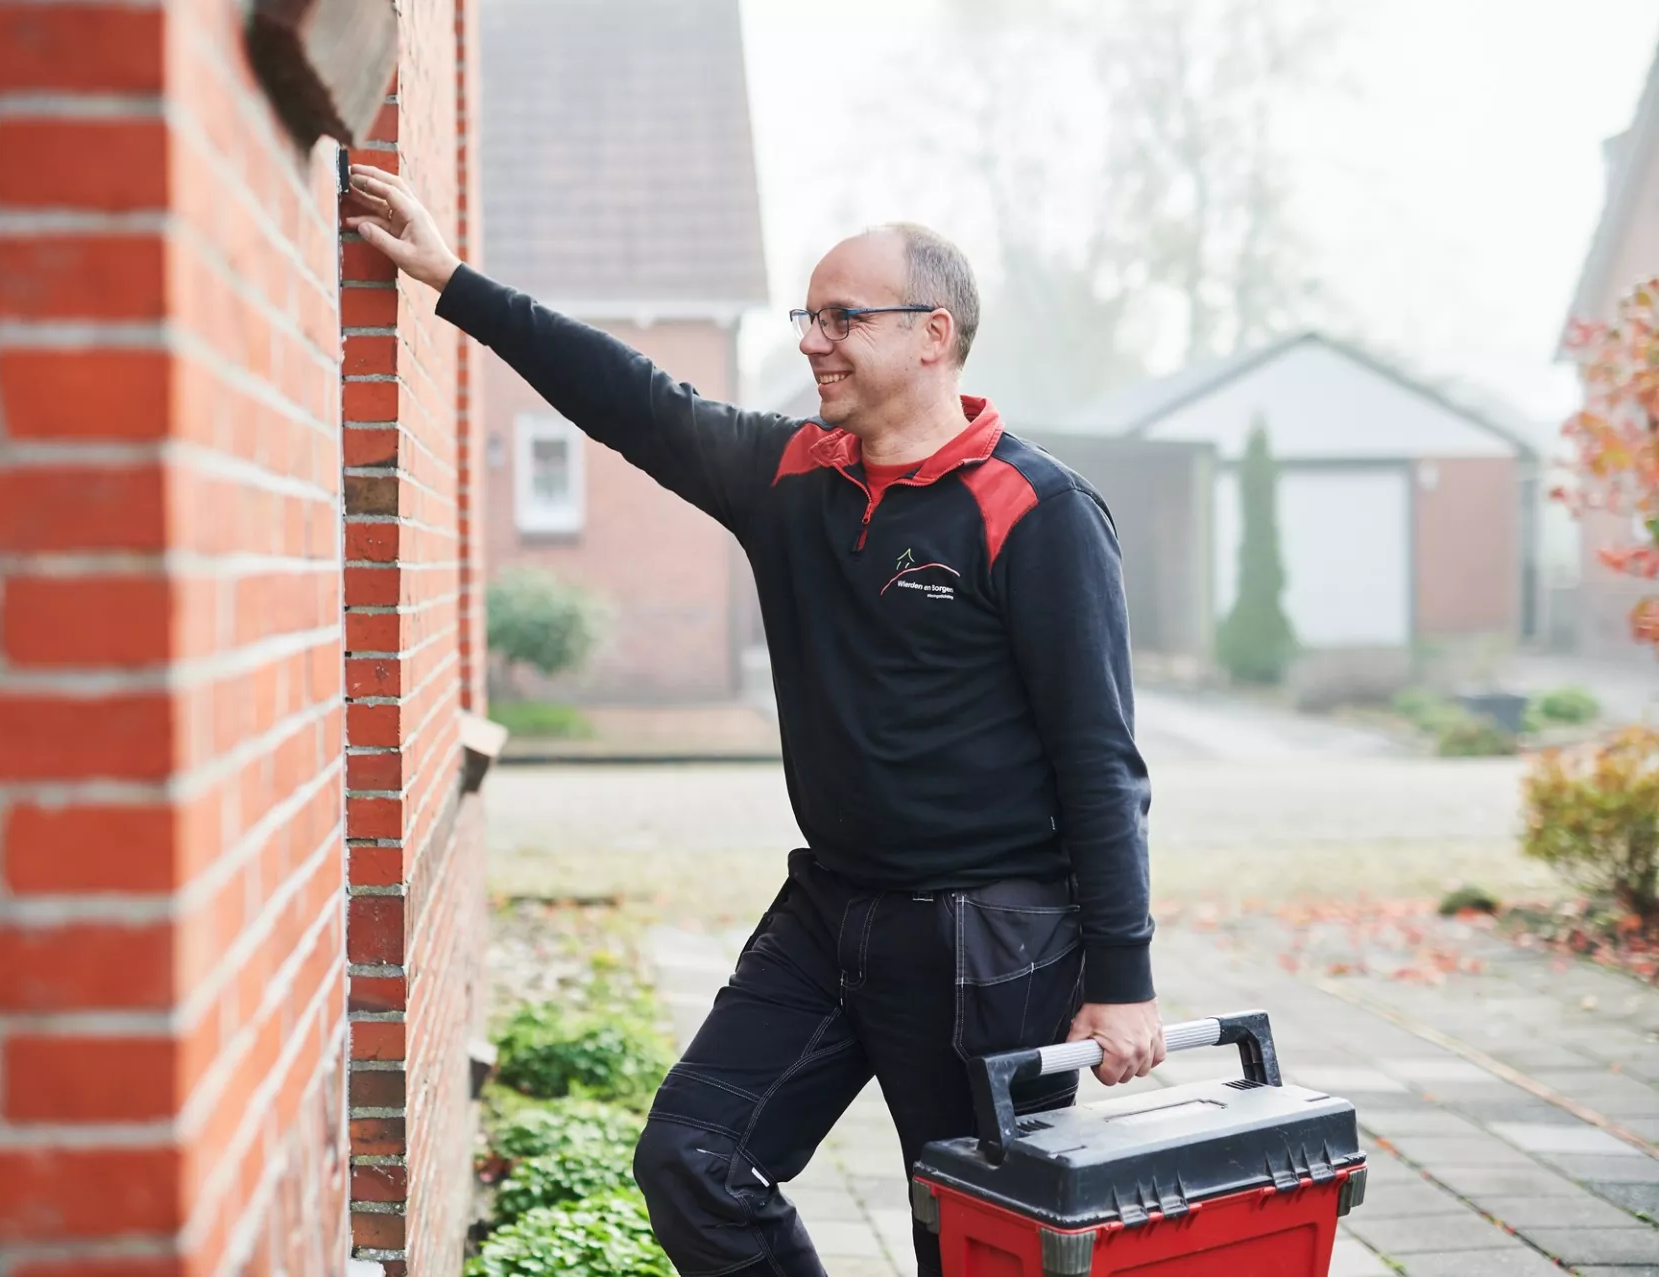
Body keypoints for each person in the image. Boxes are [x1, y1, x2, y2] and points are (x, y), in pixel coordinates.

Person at [343, 164, 1163, 1277]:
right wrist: (452, 277)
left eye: (842, 317)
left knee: (975, 1243)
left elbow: (1100, 759)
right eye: (807, 316)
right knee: (693, 1156)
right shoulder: (791, 474)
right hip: (830, 912)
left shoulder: (1037, 511)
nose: (813, 340)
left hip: (993, 941)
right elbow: (632, 396)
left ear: (934, 335)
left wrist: (1122, 977)